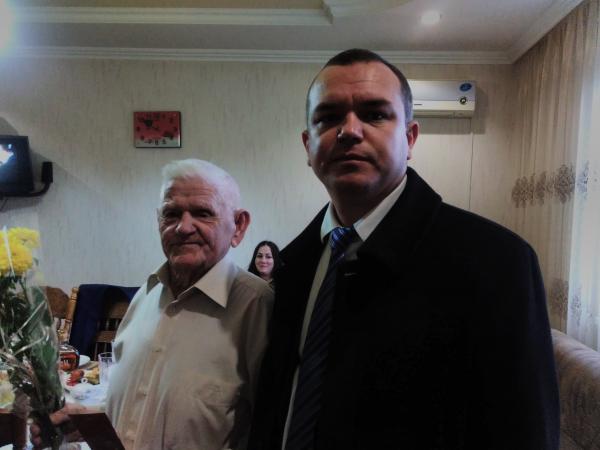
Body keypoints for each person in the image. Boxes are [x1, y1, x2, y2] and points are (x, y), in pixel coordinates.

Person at [248, 49, 559, 450]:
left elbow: (523, 432)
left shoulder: (497, 263)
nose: (349, 130)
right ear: (308, 146)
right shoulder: (293, 265)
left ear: (409, 138)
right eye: (328, 118)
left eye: (375, 114)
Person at [33, 159, 273, 450]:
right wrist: (85, 423)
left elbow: (274, 429)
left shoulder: (257, 306)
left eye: (202, 213)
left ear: (238, 226)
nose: (183, 227)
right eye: (171, 214)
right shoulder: (146, 295)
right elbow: (138, 402)